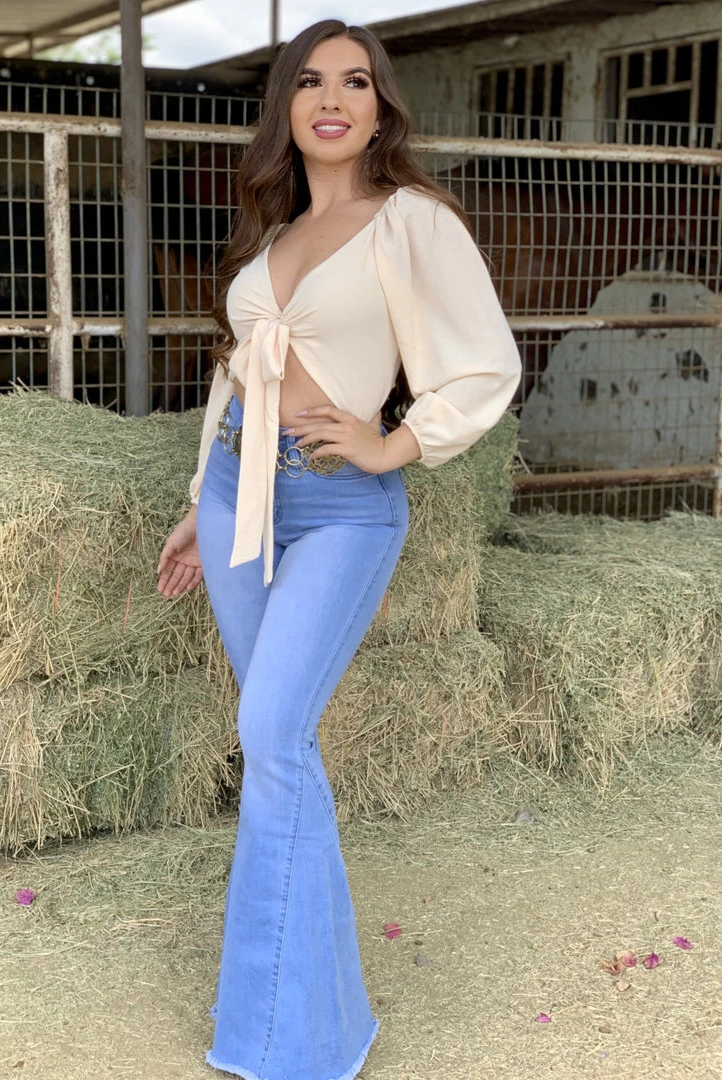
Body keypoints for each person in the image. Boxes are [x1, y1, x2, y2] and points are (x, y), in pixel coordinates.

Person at [156, 18, 522, 1080]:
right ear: (285, 106)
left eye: (354, 82)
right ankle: (319, 1023)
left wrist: (391, 442)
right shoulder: (274, 235)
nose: (331, 98)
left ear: (379, 106)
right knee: (284, 750)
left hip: (340, 505)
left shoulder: (411, 221)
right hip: (239, 494)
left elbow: (485, 365)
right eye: (309, 81)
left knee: (271, 731)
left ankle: (287, 1042)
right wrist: (201, 501)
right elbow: (239, 376)